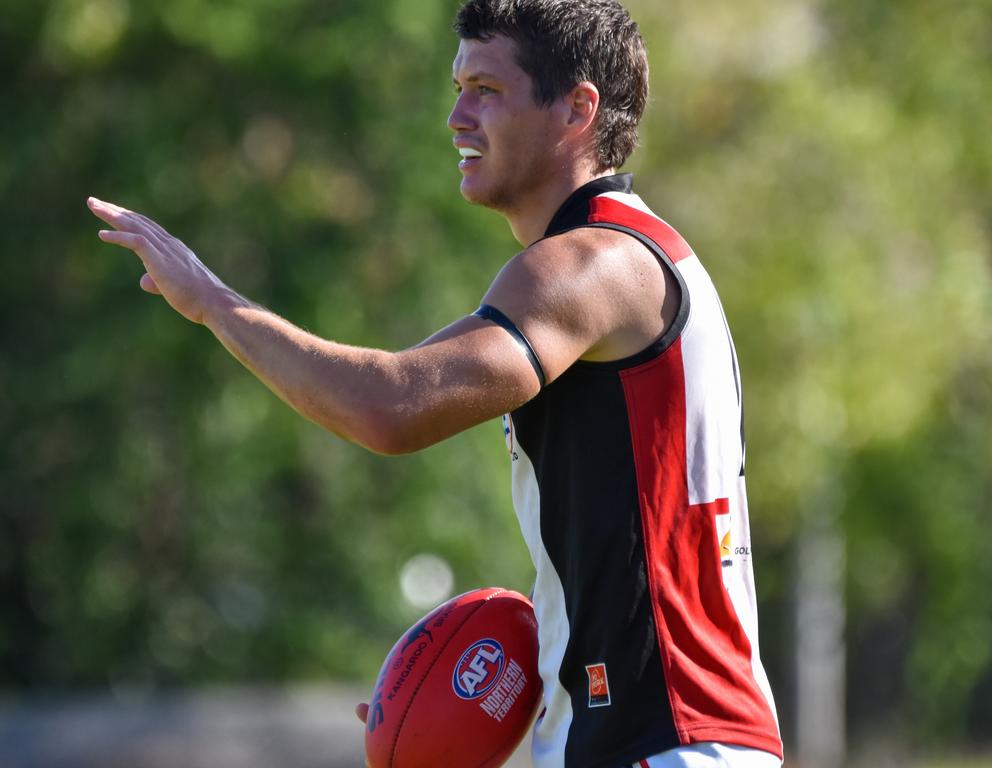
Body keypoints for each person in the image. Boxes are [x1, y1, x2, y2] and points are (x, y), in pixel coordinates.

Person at [88, 0, 783, 765]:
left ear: (578, 110)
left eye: (486, 89)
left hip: (664, 744)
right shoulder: (636, 254)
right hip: (667, 740)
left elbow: (392, 405)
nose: (456, 116)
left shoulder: (594, 262)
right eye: (458, 87)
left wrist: (214, 303)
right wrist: (443, 698)